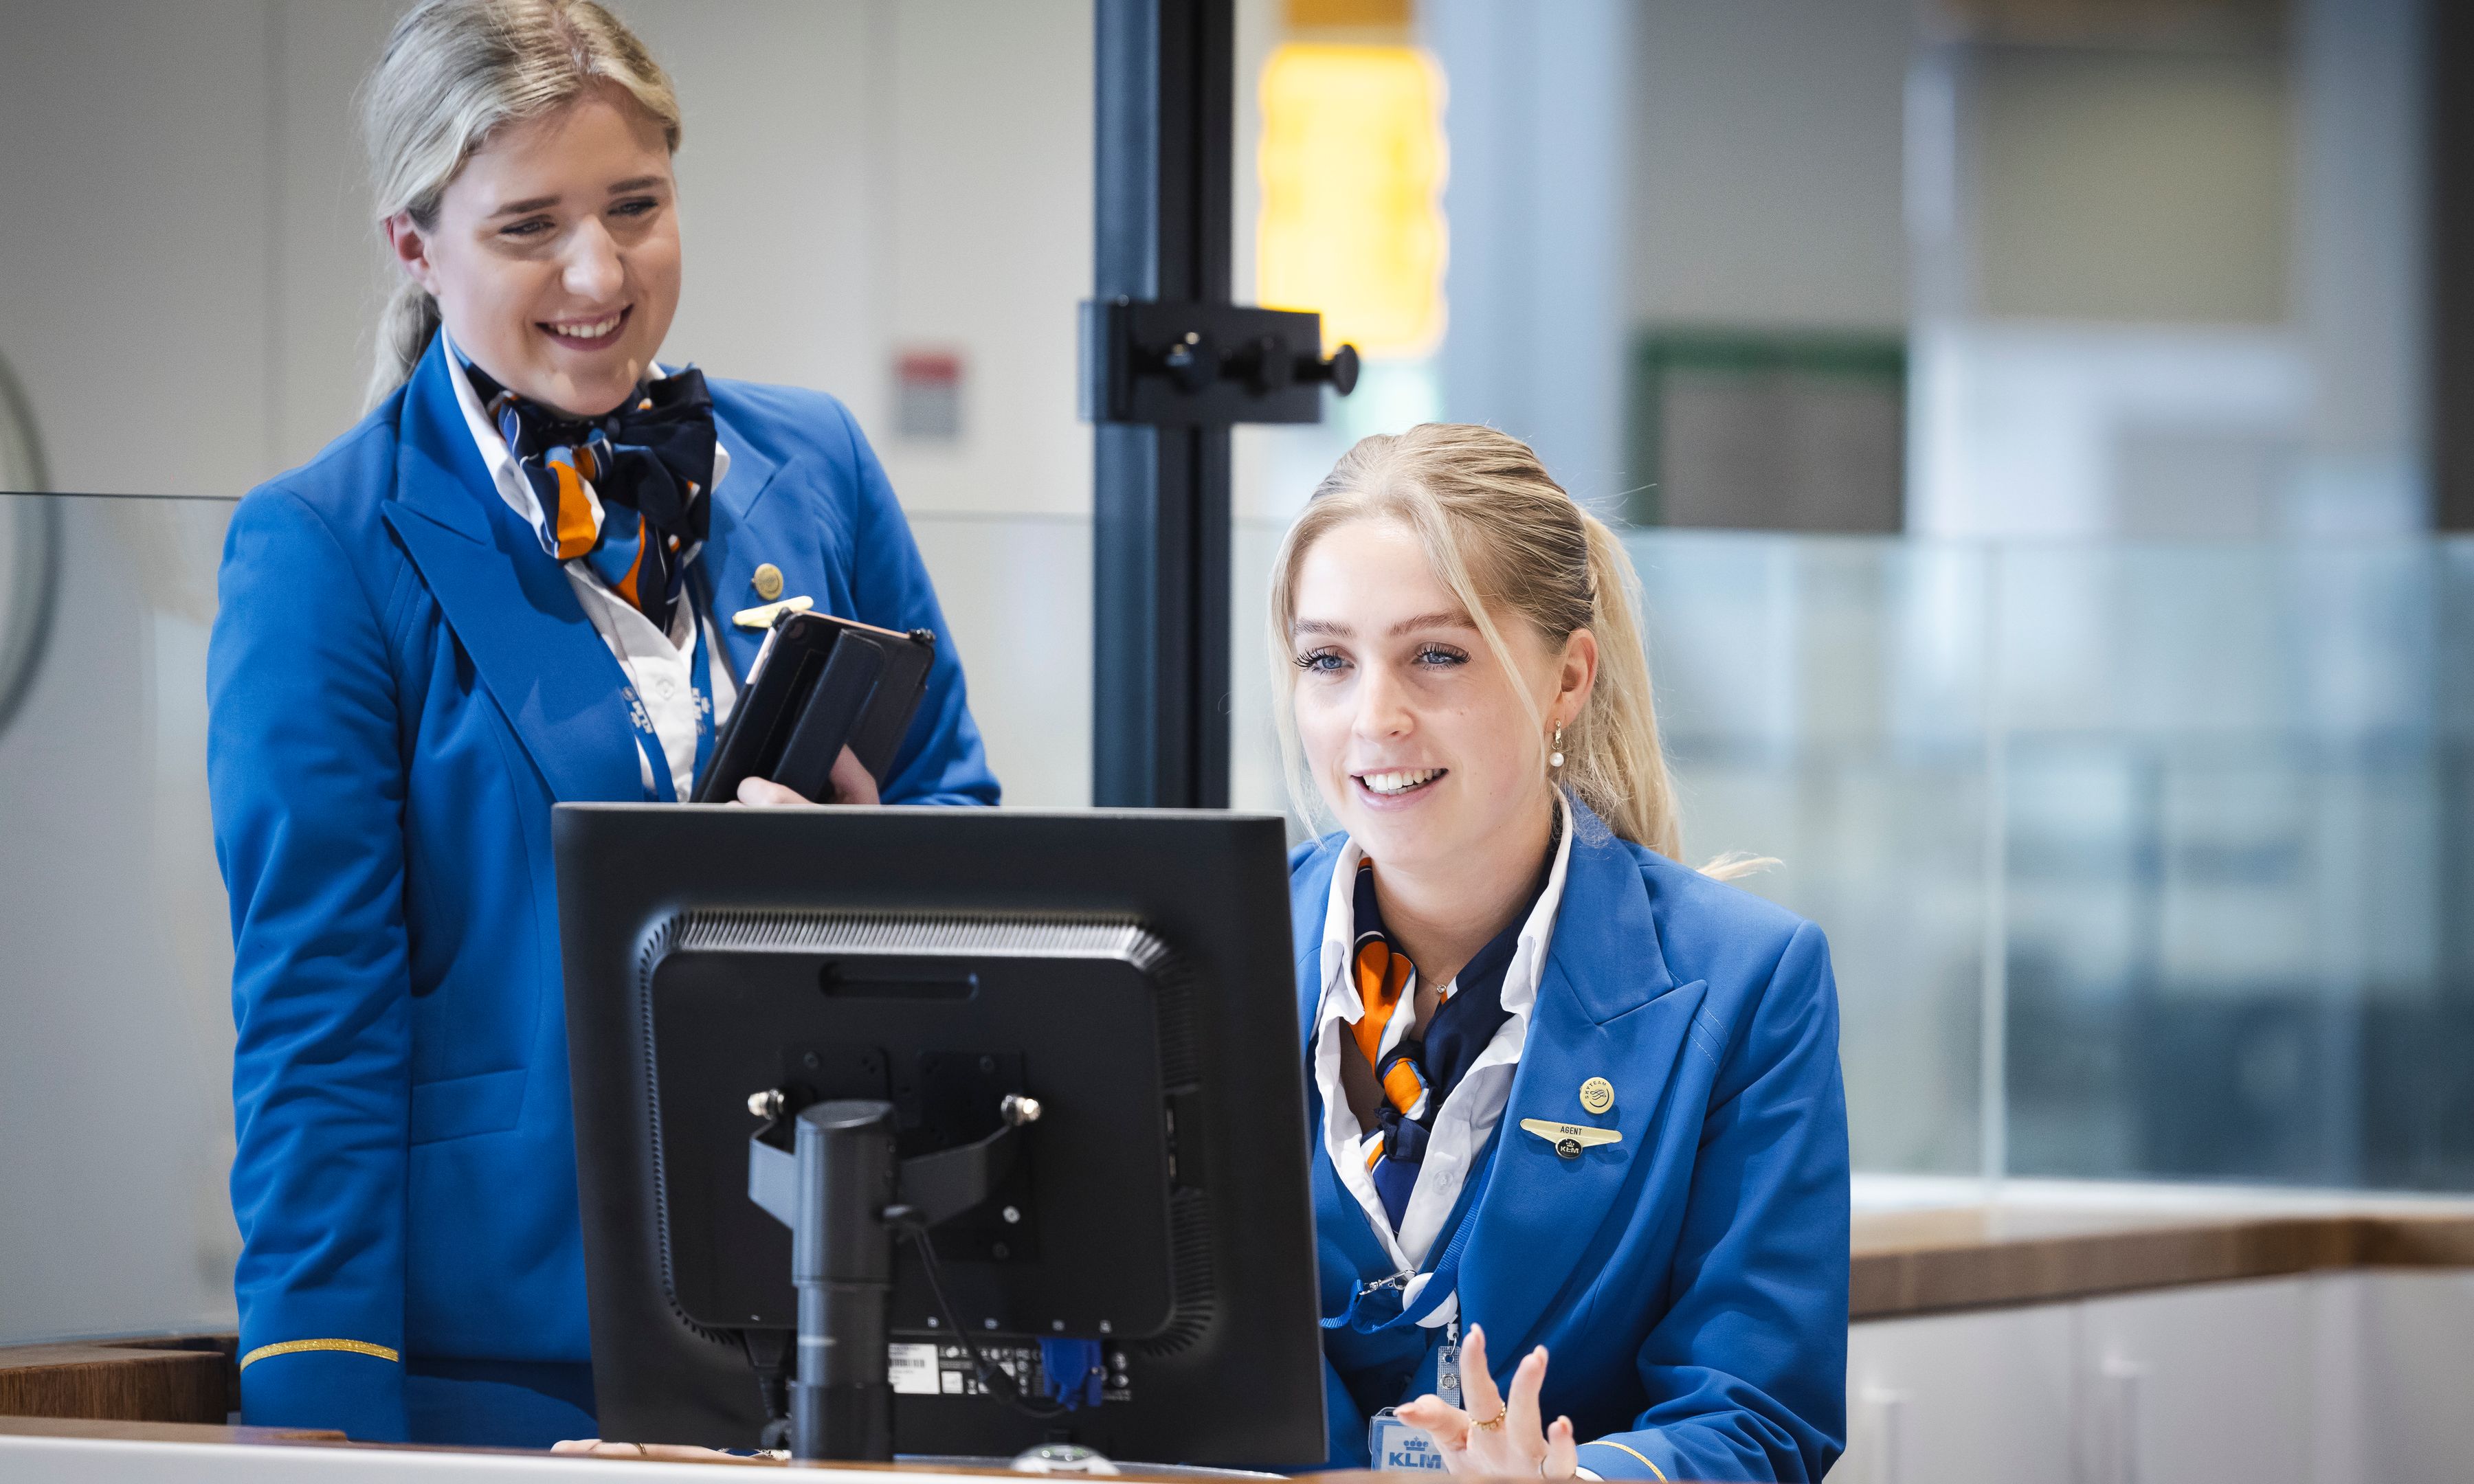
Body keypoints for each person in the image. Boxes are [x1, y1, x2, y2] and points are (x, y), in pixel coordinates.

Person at [206, 0, 998, 1448]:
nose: (599, 272)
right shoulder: (319, 549)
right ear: (414, 247)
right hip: (501, 1356)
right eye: (528, 228)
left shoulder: (812, 460)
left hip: (834, 1318)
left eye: (638, 207)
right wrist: (315, 1412)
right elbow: (317, 1016)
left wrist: (870, 874)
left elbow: (968, 823)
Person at [1273, 425, 1847, 1481]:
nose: (1374, 718)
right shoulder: (1212, 957)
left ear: (1567, 679)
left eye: (1436, 655)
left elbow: (1761, 1416)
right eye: (1328, 661)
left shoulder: (1749, 984)